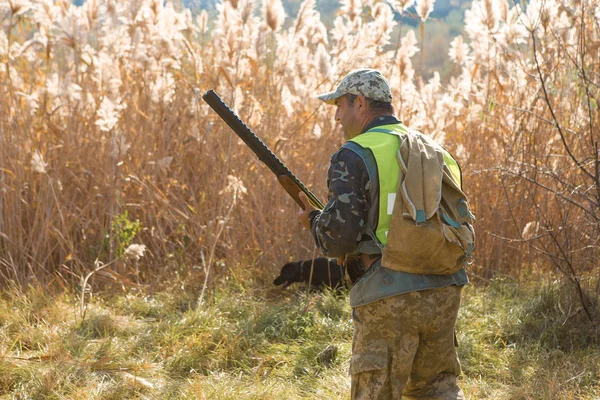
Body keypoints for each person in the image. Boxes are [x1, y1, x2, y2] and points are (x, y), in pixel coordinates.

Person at [297, 68, 469, 400]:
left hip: (387, 297)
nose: (336, 117)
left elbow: (339, 239)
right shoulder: (437, 152)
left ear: (359, 103)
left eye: (340, 106)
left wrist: (313, 221)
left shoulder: (355, 153)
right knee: (437, 392)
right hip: (445, 292)